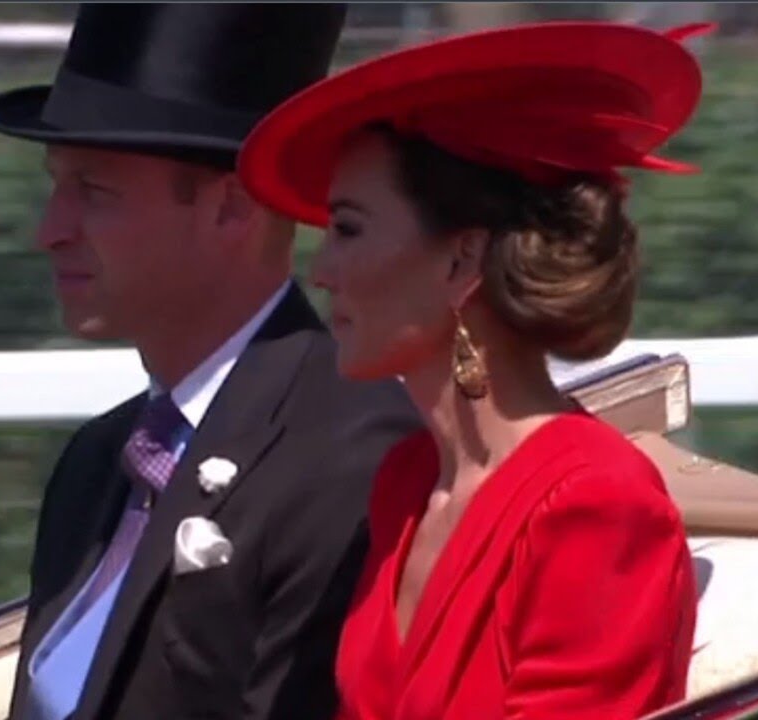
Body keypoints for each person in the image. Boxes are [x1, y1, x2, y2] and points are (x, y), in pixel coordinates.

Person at [238, 20, 711, 720]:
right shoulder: (406, 482)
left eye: (348, 229)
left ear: (462, 260)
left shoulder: (595, 503)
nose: (322, 271)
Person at [0, 5, 419, 720]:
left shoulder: (352, 458)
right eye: (56, 187)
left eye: (94, 191)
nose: (50, 231)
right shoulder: (98, 462)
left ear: (231, 208)